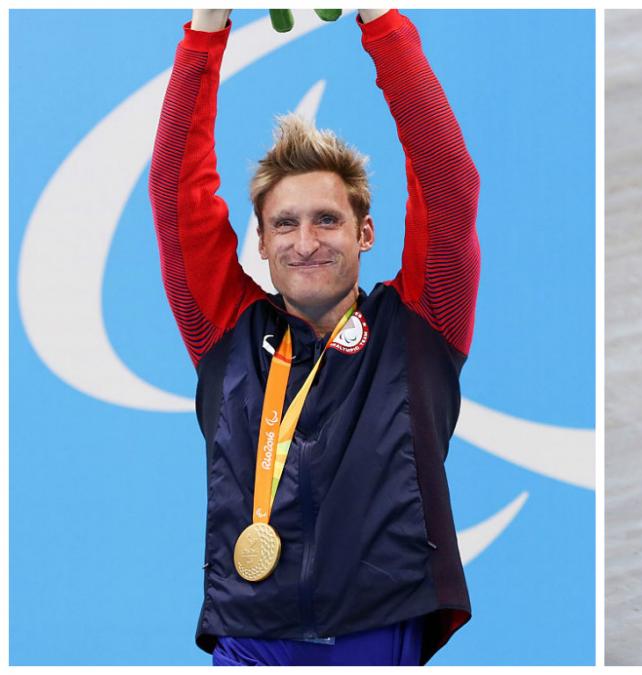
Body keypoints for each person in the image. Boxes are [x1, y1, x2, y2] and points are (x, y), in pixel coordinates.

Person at [148, 8, 480, 666]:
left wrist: (379, 18)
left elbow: (447, 180)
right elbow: (172, 190)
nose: (306, 242)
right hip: (249, 632)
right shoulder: (227, 333)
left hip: (376, 625)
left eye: (328, 219)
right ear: (262, 243)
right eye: (286, 224)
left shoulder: (418, 324)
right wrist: (207, 27)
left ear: (366, 232)